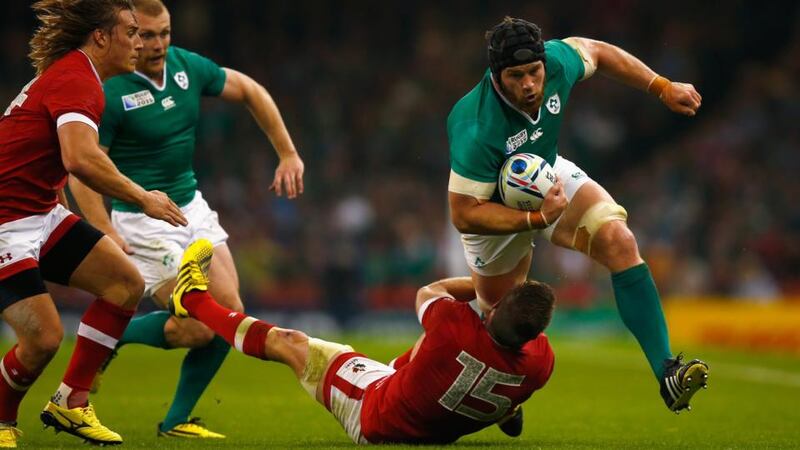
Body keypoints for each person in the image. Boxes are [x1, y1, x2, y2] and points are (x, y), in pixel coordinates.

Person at [446, 17, 708, 412]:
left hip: (546, 174)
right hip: (492, 208)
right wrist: (535, 220)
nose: (530, 84)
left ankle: (667, 371)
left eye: (533, 72)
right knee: (505, 324)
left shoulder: (556, 62)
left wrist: (661, 86)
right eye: (516, 76)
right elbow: (464, 213)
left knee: (618, 239)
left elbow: (599, 52)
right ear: (496, 76)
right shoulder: (475, 123)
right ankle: (506, 404)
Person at [68, 0, 304, 438]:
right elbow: (82, 167)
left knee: (229, 317)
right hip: (141, 219)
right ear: (130, 34)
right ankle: (107, 339)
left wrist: (287, 153)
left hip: (191, 208)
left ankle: (174, 420)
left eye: (165, 33)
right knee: (202, 327)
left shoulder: (186, 67)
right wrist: (103, 227)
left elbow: (251, 90)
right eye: (147, 35)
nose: (157, 44)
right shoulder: (112, 89)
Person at [0, 0, 189, 447]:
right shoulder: (79, 80)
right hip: (5, 222)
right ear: (101, 36)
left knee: (126, 281)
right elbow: (80, 157)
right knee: (44, 338)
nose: (140, 43)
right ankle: (2, 420)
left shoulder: (77, 74)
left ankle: (71, 402)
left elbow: (38, 146)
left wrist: (56, 192)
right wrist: (144, 198)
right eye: (132, 32)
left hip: (40, 212)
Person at [166, 238, 555, 444]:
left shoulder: (454, 327)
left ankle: (192, 298)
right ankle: (504, 409)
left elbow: (429, 291)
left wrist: (485, 286)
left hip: (376, 412)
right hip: (438, 417)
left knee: (290, 343)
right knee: (428, 357)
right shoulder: (542, 362)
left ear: (495, 305)